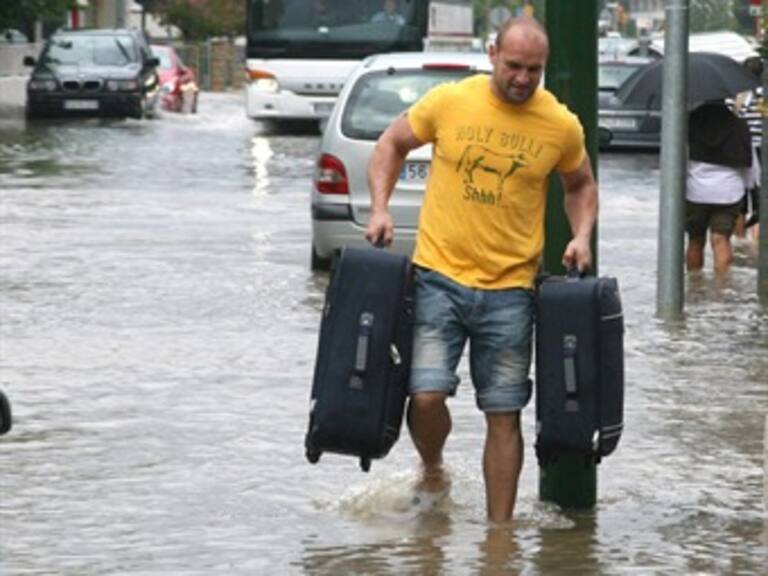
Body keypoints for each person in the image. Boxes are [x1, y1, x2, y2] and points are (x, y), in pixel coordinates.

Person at [365, 16, 598, 523]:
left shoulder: (559, 124)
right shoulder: (451, 102)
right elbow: (391, 144)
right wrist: (380, 207)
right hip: (438, 277)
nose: (521, 78)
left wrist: (580, 236)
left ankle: (500, 536)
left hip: (511, 289)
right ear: (492, 54)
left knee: (504, 412)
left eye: (533, 70)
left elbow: (579, 184)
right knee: (425, 396)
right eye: (513, 66)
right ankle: (433, 467)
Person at [685, 102, 759, 276]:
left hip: (695, 193)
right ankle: (721, 291)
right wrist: (750, 187)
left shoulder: (690, 124)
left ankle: (694, 286)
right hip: (729, 194)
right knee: (721, 239)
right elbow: (751, 166)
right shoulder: (738, 126)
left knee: (695, 240)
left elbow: (679, 161)